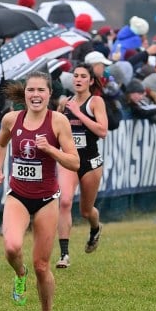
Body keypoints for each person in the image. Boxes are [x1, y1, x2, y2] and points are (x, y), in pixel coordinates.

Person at [0, 71, 79, 311]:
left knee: (42, 266)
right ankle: (20, 274)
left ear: (50, 94)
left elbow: (74, 162)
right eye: (31, 90)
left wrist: (50, 150)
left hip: (46, 201)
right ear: (25, 94)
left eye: (41, 90)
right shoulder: (11, 119)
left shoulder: (58, 122)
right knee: (12, 247)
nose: (36, 95)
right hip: (17, 196)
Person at [55, 63, 108, 269]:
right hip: (69, 161)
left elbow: (102, 131)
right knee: (65, 201)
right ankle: (64, 254)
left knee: (86, 211)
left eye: (83, 76)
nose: (78, 79)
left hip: (91, 162)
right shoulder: (65, 103)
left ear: (91, 81)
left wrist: (79, 112)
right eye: (75, 76)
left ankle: (95, 228)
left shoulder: (95, 102)